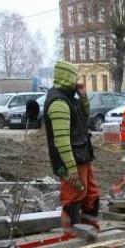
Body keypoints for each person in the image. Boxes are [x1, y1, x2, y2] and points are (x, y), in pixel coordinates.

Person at [44, 60, 100, 234]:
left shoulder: (69, 99)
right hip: (73, 159)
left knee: (91, 195)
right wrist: (70, 168)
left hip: (82, 155)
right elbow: (61, 140)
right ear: (67, 76)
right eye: (75, 76)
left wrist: (83, 96)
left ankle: (89, 229)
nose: (78, 80)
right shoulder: (59, 103)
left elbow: (84, 117)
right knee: (73, 198)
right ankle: (71, 235)